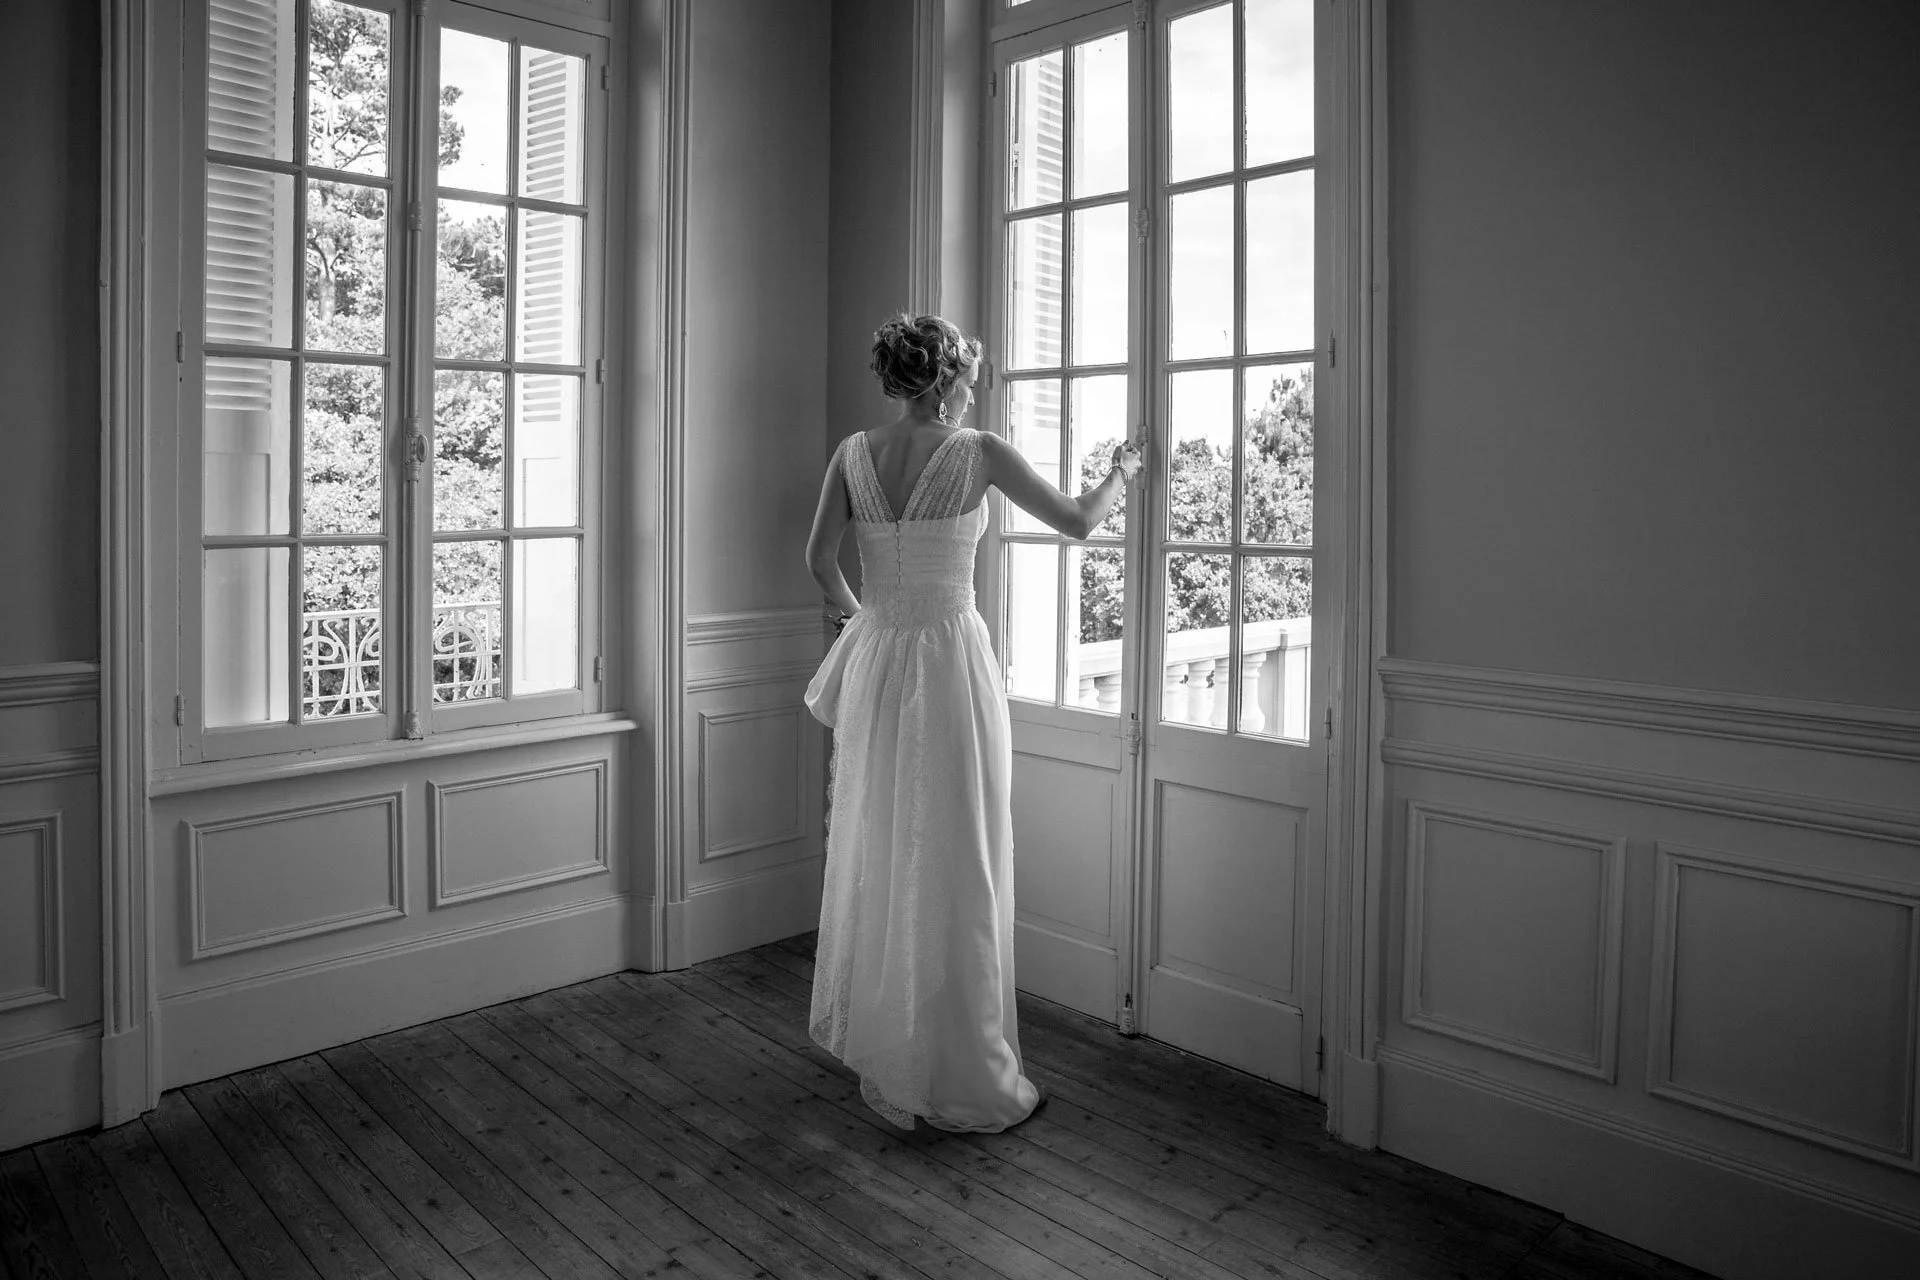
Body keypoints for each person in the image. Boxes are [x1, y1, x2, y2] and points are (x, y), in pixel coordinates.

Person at [803, 313, 1145, 1132]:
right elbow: (1078, 521)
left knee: (888, 845)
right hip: (950, 663)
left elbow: (819, 560)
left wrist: (865, 622)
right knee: (962, 850)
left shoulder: (854, 453)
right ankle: (962, 1068)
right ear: (949, 377)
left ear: (895, 378)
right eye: (969, 375)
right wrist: (1122, 471)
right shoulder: (978, 452)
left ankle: (896, 1041)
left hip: (881, 662)